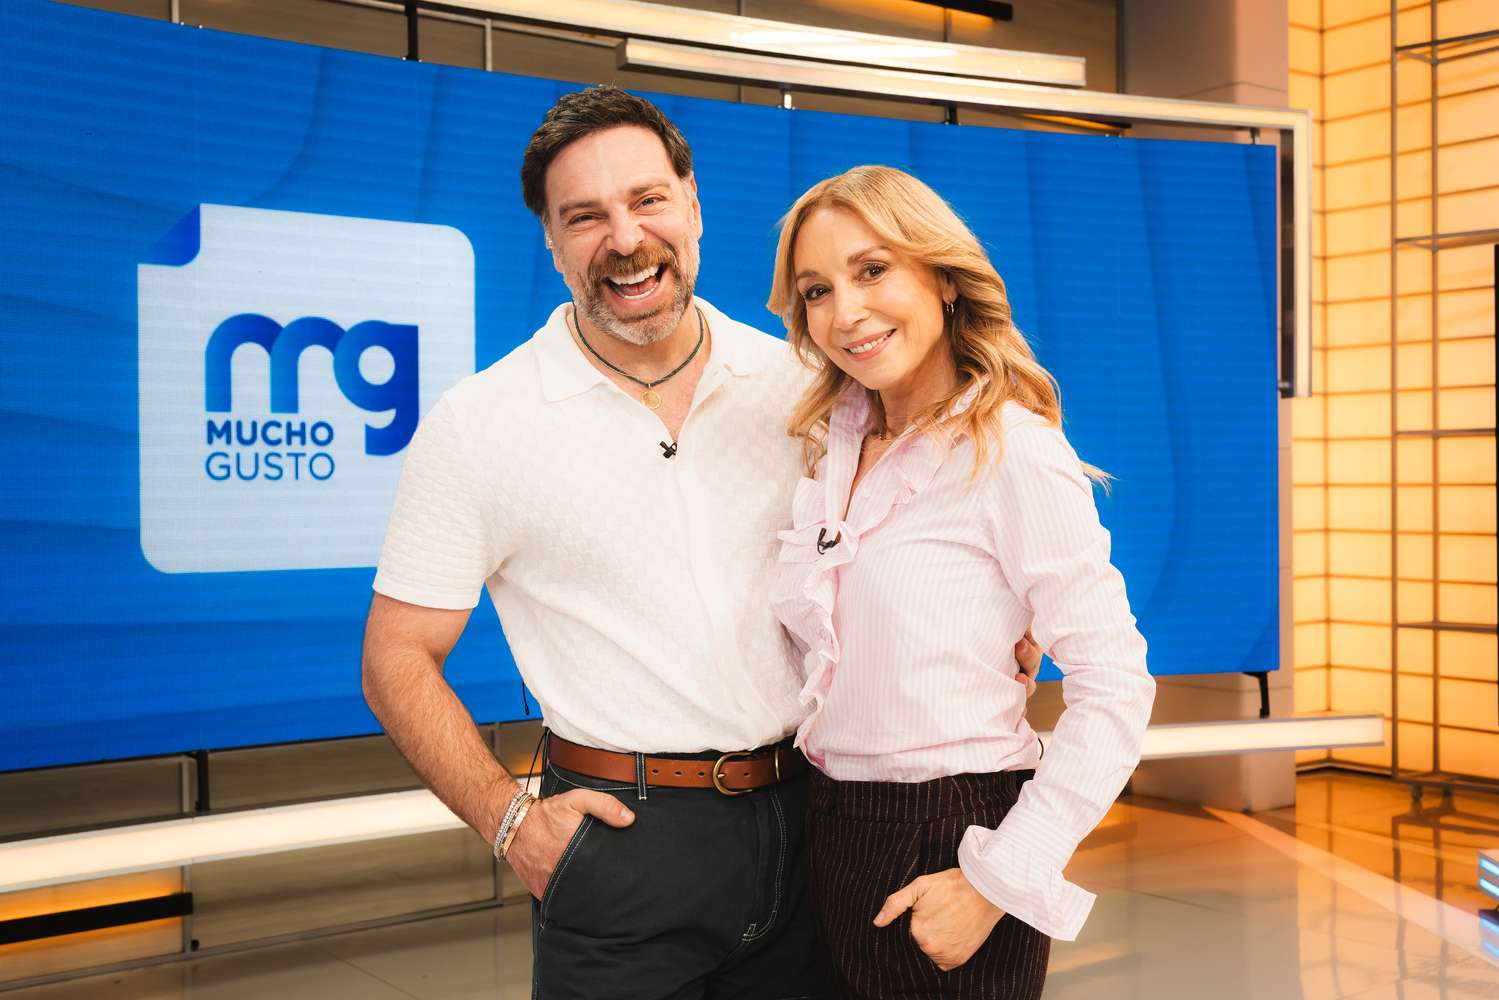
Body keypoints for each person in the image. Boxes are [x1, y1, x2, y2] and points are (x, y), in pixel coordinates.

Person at [362, 87, 1042, 1000]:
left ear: (692, 205)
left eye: (647, 200)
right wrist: (509, 821)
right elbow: (396, 657)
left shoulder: (810, 387)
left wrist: (1007, 624)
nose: (625, 238)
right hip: (621, 847)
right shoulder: (480, 424)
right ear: (552, 241)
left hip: (817, 825)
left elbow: (942, 523)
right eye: (585, 217)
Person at [766, 165, 1156, 999]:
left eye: (873, 270)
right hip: (827, 828)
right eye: (817, 291)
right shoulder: (832, 450)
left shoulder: (1010, 449)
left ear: (944, 278)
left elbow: (1117, 683)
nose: (846, 312)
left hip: (949, 838)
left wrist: (997, 879)